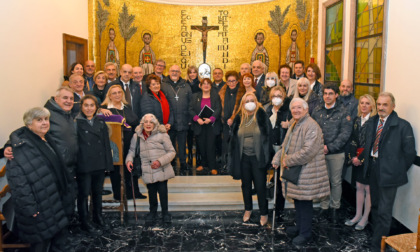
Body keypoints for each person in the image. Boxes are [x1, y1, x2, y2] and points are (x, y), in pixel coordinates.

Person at [6, 107, 72, 251]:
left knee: (56, 237)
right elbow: (18, 183)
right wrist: (29, 207)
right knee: (41, 243)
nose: (44, 123)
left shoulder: (46, 138)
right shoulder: (20, 147)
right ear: (29, 124)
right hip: (38, 203)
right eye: (39, 120)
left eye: (46, 119)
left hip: (53, 199)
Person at [361, 92, 416, 251]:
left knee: (385, 211)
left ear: (393, 106)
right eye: (379, 104)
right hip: (373, 168)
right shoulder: (373, 122)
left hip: (389, 174)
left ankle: (377, 246)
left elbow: (409, 154)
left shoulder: (402, 126)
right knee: (376, 206)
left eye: (385, 105)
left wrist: (395, 170)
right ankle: (376, 238)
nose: (381, 108)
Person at [272, 98, 330, 245]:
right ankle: (299, 227)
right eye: (293, 108)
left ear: (306, 110)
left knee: (305, 203)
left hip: (307, 171)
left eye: (299, 108)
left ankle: (305, 233)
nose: (296, 110)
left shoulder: (311, 126)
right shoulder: (295, 124)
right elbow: (286, 144)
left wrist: (287, 160)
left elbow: (308, 152)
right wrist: (277, 158)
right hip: (298, 172)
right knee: (298, 200)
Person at [228, 92, 273, 226]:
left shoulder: (262, 116)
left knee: (260, 186)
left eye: (252, 100)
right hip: (243, 158)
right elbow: (233, 139)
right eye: (246, 101)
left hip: (258, 158)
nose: (249, 103)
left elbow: (268, 137)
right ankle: (248, 209)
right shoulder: (239, 118)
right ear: (242, 104)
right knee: (246, 185)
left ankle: (264, 213)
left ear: (257, 101)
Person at [312, 83, 353, 223]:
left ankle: (335, 207)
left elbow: (345, 134)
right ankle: (324, 206)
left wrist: (329, 147)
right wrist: (319, 146)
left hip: (336, 153)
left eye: (330, 93)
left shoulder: (343, 112)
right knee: (323, 181)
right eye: (325, 94)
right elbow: (312, 129)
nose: (327, 96)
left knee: (335, 181)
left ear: (336, 95)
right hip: (319, 152)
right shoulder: (317, 110)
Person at [126, 114, 176, 223]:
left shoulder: (162, 135)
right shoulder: (137, 136)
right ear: (142, 123)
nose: (148, 124)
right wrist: (129, 160)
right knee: (151, 192)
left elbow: (172, 152)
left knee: (163, 192)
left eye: (151, 122)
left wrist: (160, 161)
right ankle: (152, 212)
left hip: (161, 168)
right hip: (147, 169)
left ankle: (165, 213)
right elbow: (131, 151)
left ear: (155, 123)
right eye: (146, 122)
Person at [76, 95, 113, 234]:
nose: (89, 108)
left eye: (92, 105)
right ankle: (85, 221)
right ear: (81, 107)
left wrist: (108, 165)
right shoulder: (76, 123)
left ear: (96, 108)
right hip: (84, 165)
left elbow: (105, 144)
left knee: (97, 193)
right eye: (86, 105)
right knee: (84, 194)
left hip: (99, 164)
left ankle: (98, 218)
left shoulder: (101, 123)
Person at [101, 85, 143, 200]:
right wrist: (100, 110)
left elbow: (134, 122)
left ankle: (134, 193)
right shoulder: (105, 109)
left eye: (119, 92)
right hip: (114, 144)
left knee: (131, 167)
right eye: (114, 93)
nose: (117, 95)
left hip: (130, 143)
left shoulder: (127, 107)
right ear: (109, 96)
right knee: (116, 170)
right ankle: (118, 194)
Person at [344, 94, 376, 231]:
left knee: (368, 189)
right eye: (362, 103)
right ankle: (357, 215)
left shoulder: (374, 122)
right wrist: (352, 157)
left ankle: (365, 218)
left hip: (368, 159)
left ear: (372, 106)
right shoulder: (357, 119)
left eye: (367, 103)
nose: (364, 105)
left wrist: (361, 158)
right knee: (358, 187)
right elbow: (353, 140)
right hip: (356, 158)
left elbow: (372, 143)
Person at [265, 86, 291, 221]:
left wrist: (289, 124)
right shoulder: (266, 109)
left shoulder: (288, 111)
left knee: (280, 179)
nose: (276, 98)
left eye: (279, 96)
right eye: (274, 95)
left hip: (282, 148)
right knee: (269, 175)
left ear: (284, 97)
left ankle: (279, 208)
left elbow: (295, 127)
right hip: (268, 147)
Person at [161, 65, 192, 174]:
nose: (175, 73)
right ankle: (172, 163)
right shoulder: (163, 85)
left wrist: (189, 118)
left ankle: (183, 164)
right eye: (172, 71)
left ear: (180, 73)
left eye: (177, 71)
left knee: (183, 144)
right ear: (168, 72)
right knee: (170, 144)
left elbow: (190, 103)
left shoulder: (186, 85)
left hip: (183, 120)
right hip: (169, 121)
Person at [189, 78, 222, 175]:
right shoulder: (195, 96)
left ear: (211, 86)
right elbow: (190, 109)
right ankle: (203, 164)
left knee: (211, 146)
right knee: (201, 145)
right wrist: (197, 119)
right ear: (200, 85)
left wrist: (211, 119)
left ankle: (212, 166)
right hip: (199, 124)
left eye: (208, 84)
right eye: (204, 84)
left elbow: (218, 109)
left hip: (211, 125)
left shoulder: (215, 96)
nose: (206, 85)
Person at [218, 71, 245, 169]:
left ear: (237, 81)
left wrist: (233, 118)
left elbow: (241, 108)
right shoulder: (222, 91)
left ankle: (235, 165)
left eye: (233, 81)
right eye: (229, 81)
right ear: (227, 82)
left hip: (237, 123)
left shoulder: (242, 92)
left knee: (236, 144)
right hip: (225, 123)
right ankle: (225, 164)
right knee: (225, 144)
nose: (232, 83)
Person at [186, 65, 201, 167]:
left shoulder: (200, 84)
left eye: (194, 72)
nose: (192, 74)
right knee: (189, 137)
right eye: (190, 72)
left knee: (198, 137)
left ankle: (199, 157)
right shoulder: (185, 84)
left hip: (198, 113)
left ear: (197, 73)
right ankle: (190, 157)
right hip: (188, 113)